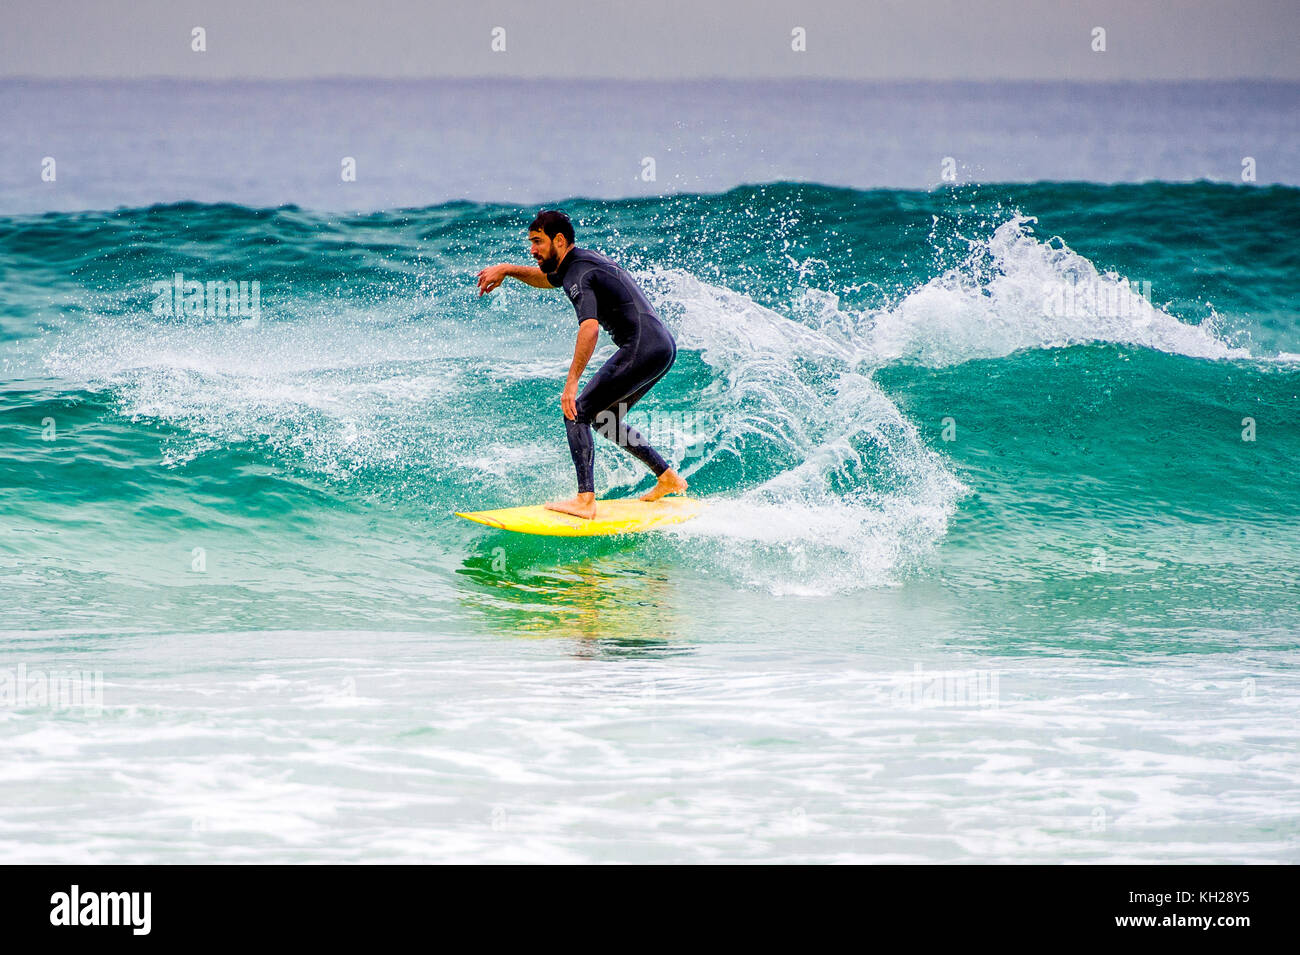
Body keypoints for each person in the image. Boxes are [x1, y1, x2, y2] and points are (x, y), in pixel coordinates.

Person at [476, 210, 687, 519]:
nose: (532, 250)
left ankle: (585, 500)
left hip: (643, 348)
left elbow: (589, 327)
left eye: (538, 242)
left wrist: (572, 382)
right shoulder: (577, 264)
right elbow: (548, 280)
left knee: (577, 411)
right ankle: (668, 478)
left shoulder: (578, 272)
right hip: (661, 348)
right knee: (605, 420)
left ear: (559, 241)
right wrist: (507, 270)